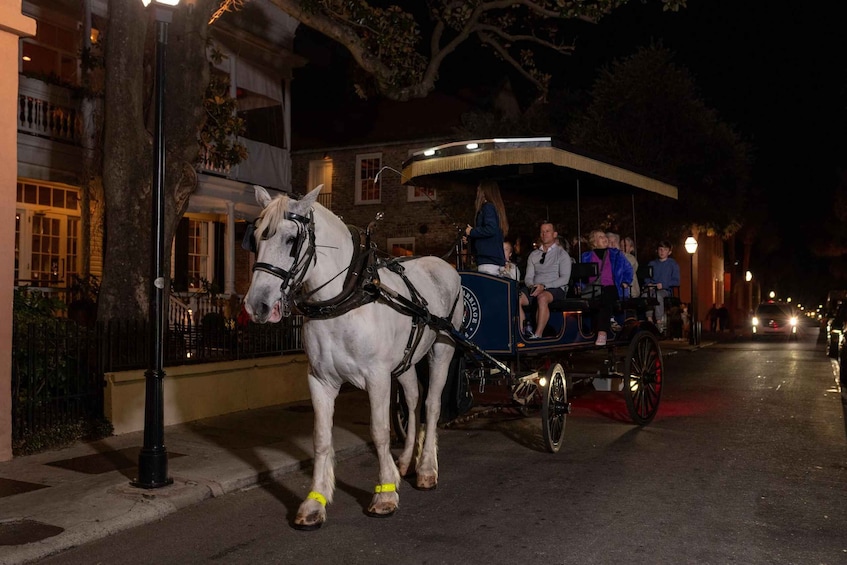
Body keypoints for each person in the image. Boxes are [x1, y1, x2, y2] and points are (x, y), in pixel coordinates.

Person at [519, 222, 572, 339]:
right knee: (515, 298)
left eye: (547, 231)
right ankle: (524, 332)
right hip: (535, 286)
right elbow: (528, 277)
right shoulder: (534, 254)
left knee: (542, 297)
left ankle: (538, 335)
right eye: (542, 231)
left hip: (555, 288)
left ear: (554, 234)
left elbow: (564, 279)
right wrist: (531, 286)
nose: (544, 234)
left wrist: (544, 286)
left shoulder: (562, 254)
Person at [580, 230, 633, 346]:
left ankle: (602, 332)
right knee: (597, 299)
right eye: (600, 237)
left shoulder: (616, 254)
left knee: (606, 294)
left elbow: (628, 269)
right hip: (593, 289)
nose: (605, 238)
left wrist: (625, 281)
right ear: (594, 242)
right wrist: (578, 286)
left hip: (612, 288)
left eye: (605, 236)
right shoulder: (585, 256)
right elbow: (580, 275)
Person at [464, 179, 509, 276]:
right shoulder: (496, 209)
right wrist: (471, 238)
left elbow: (490, 229)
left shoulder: (488, 207)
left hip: (488, 260)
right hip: (495, 259)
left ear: (484, 192)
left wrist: (472, 231)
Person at [644, 240, 681, 333]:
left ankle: (659, 321)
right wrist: (649, 284)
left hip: (666, 290)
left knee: (658, 296)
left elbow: (676, 281)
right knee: (646, 296)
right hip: (652, 289)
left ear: (669, 252)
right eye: (660, 249)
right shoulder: (652, 264)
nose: (662, 252)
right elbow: (647, 277)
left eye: (665, 250)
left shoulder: (673, 264)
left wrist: (664, 285)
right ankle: (649, 320)